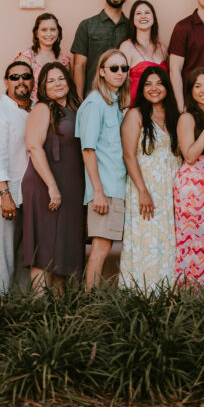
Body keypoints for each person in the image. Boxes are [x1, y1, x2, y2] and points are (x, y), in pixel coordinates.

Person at [22, 62, 85, 289]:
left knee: (64, 248)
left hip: (72, 185)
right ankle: (40, 310)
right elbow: (34, 147)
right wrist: (52, 186)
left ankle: (60, 313)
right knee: (45, 246)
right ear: (42, 87)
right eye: (51, 80)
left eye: (61, 78)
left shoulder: (76, 109)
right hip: (45, 184)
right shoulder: (42, 109)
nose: (57, 83)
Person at [120, 65, 181, 290]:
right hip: (145, 188)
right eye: (148, 84)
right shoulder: (135, 114)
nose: (154, 88)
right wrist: (143, 191)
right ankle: (143, 294)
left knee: (168, 243)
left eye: (159, 83)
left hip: (171, 190)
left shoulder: (174, 115)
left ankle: (168, 295)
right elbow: (128, 155)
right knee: (146, 241)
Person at [76, 49, 131, 289]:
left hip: (117, 187)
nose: (120, 73)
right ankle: (89, 303)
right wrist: (97, 191)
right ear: (101, 71)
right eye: (114, 68)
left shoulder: (115, 102)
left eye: (124, 68)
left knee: (106, 246)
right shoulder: (94, 104)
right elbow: (88, 150)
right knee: (101, 247)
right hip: (104, 189)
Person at [0, 61, 33, 294]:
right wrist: (4, 194)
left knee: (23, 258)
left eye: (26, 76)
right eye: (14, 77)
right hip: (5, 199)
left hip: (26, 197)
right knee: (3, 259)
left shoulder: (29, 112)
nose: (20, 81)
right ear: (6, 82)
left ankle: (19, 314)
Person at [174, 68, 204, 287]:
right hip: (193, 187)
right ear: (190, 91)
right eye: (197, 86)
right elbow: (190, 155)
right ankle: (190, 293)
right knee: (193, 241)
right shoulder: (187, 117)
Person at [71, 0, 130, 96]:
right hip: (93, 95)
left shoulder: (132, 27)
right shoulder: (87, 25)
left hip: (124, 98)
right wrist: (79, 100)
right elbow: (79, 66)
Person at [119, 0, 167, 107]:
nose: (143, 16)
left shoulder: (163, 48)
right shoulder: (127, 46)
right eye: (138, 13)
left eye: (147, 13)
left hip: (160, 108)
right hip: (135, 108)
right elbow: (122, 83)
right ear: (133, 20)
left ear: (153, 18)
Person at [17, 12, 72, 103]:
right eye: (44, 30)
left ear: (58, 32)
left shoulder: (64, 61)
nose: (49, 34)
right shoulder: (27, 57)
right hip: (32, 109)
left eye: (52, 29)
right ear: (36, 33)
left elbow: (68, 90)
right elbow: (19, 88)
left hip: (58, 110)